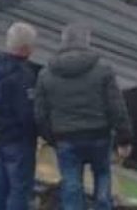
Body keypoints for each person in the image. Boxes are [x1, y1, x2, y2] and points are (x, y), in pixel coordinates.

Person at [34, 24, 132, 210]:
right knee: (102, 175)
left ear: (63, 42)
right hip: (99, 134)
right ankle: (103, 206)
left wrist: (51, 137)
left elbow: (40, 113)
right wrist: (124, 138)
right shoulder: (103, 70)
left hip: (66, 138)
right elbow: (116, 106)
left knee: (71, 184)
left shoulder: (46, 75)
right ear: (87, 42)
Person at [0, 22, 39, 210]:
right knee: (19, 188)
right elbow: (26, 112)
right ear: (26, 48)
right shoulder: (23, 76)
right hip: (17, 138)